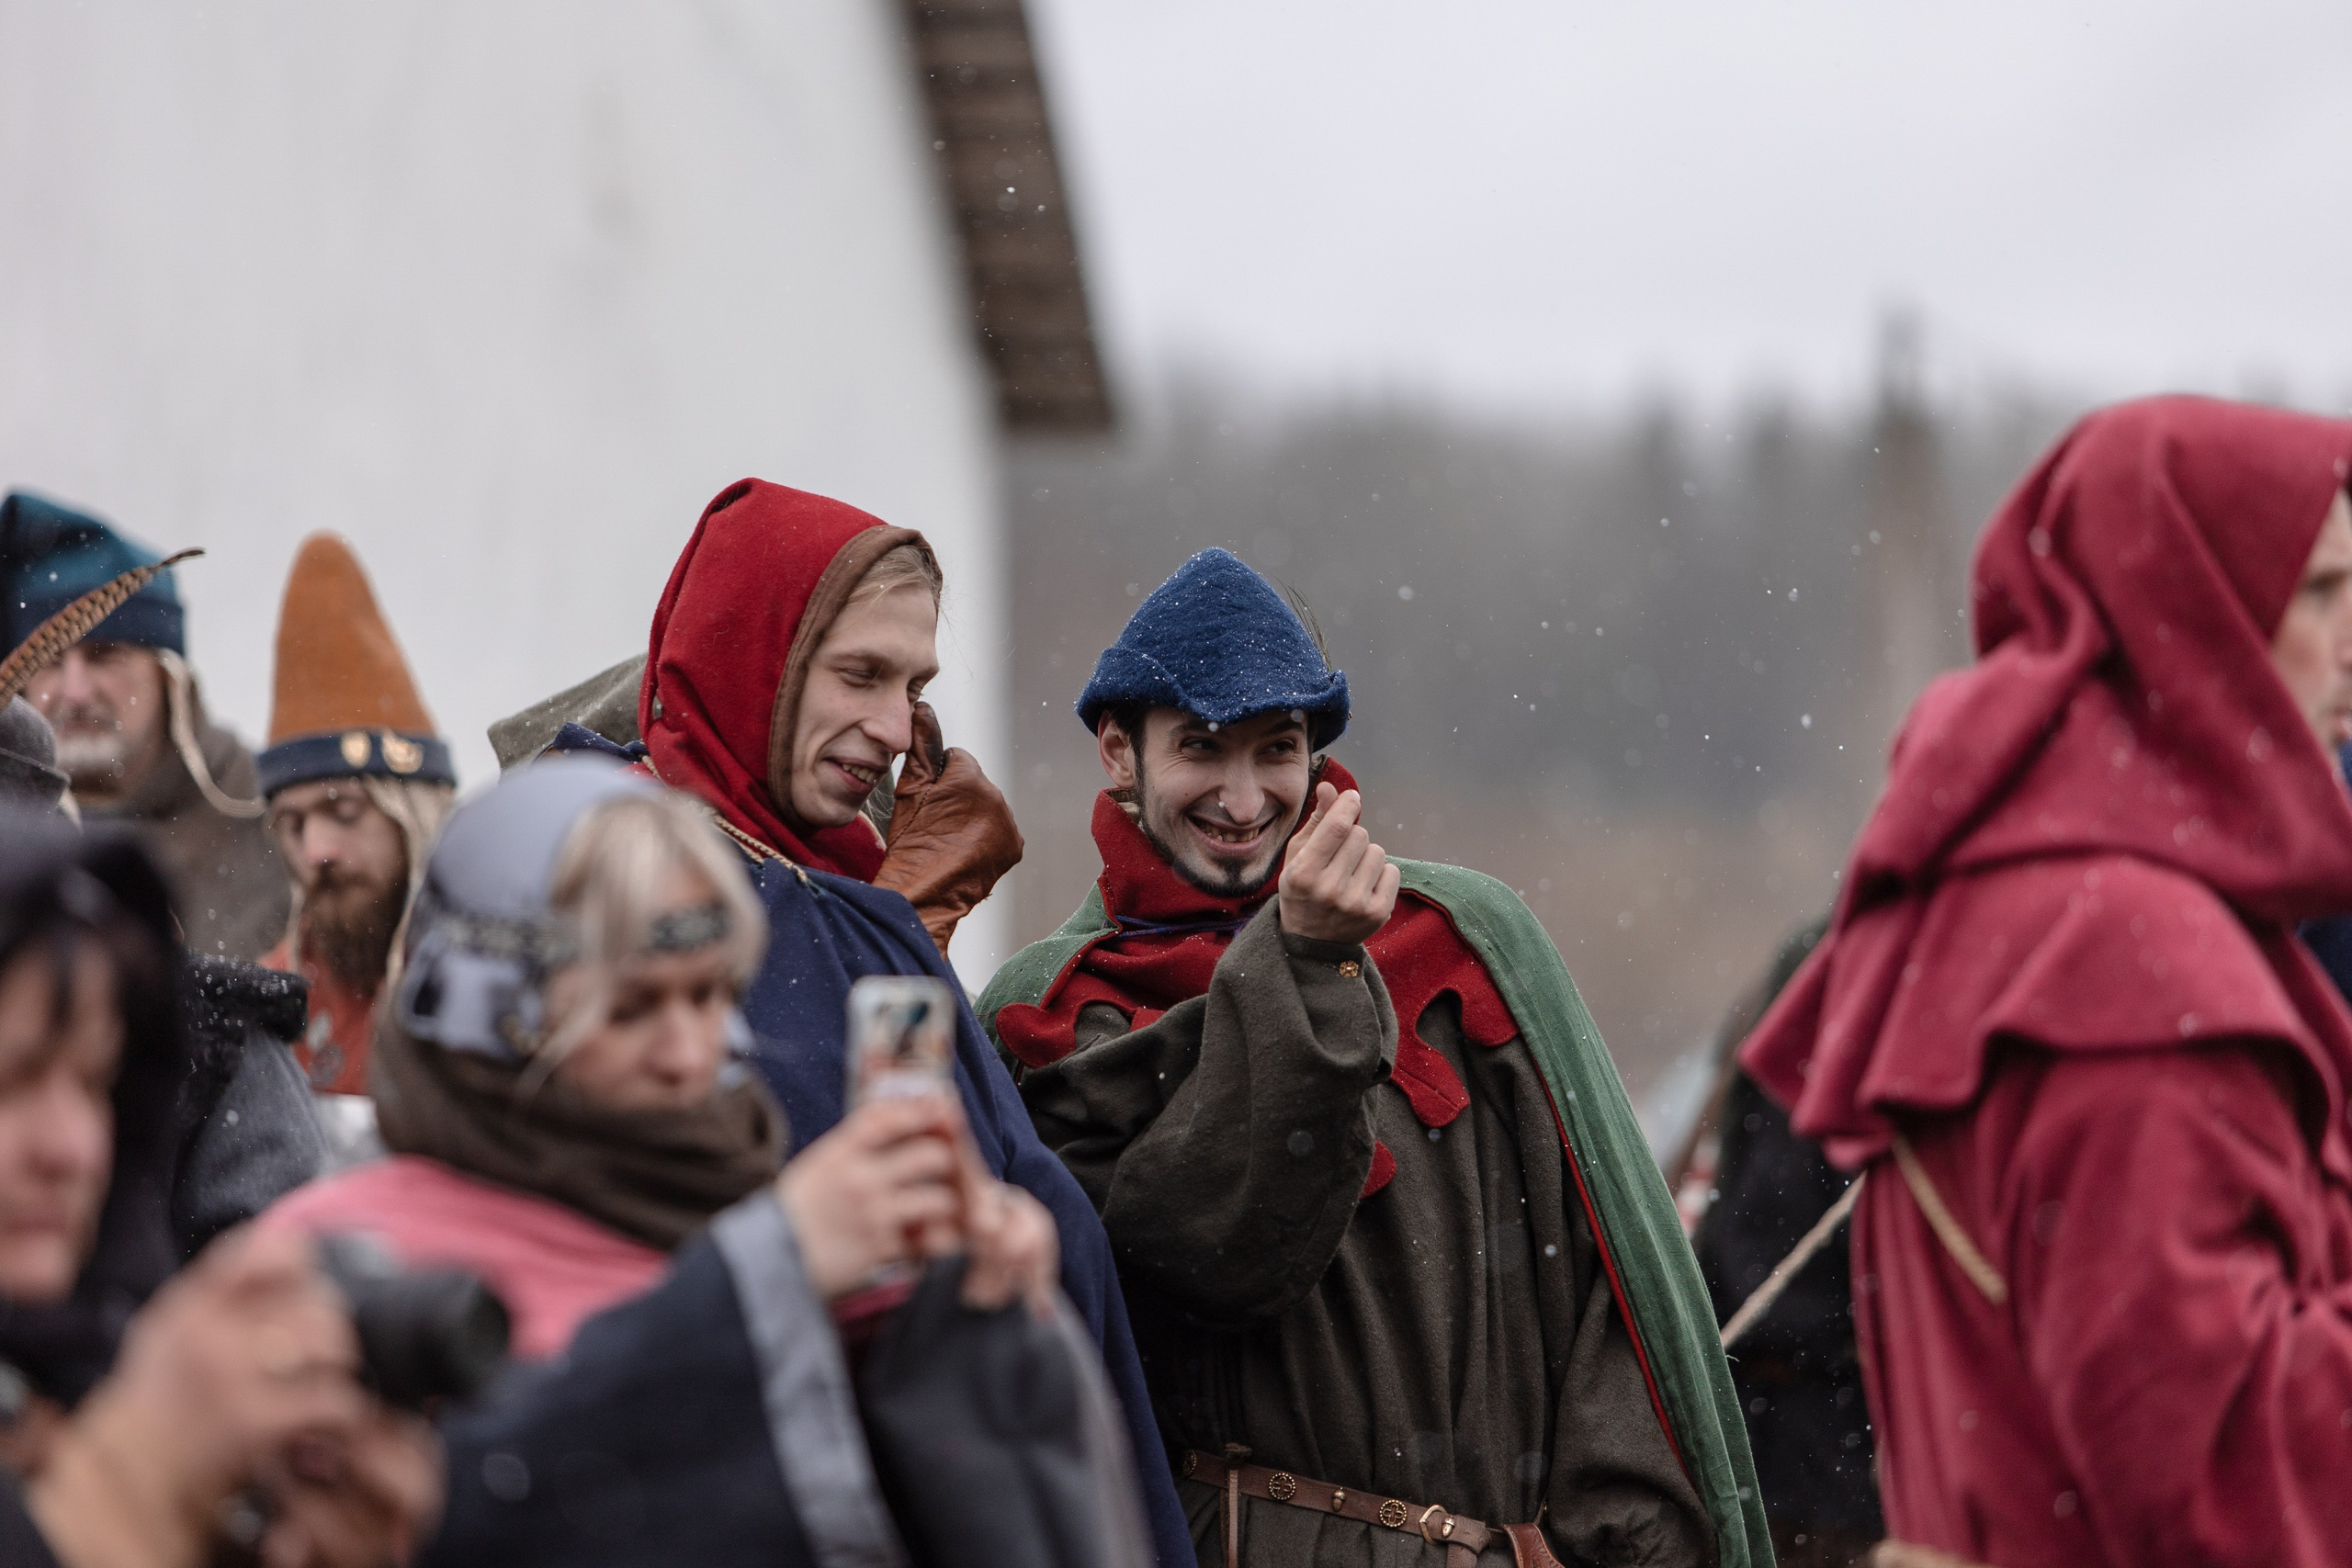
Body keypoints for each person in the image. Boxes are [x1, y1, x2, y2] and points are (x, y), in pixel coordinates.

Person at [978, 548, 1767, 1568]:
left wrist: (1635, 1542)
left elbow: (1603, 1303)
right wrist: (1301, 967)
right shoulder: (1055, 1015)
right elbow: (1208, 1260)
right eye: (1200, 747)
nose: (1243, 793)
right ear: (1117, 756)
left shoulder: (1464, 941)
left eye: (1277, 747)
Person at [513, 477, 1193, 1564]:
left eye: (913, 684)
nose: (894, 727)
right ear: (754, 656)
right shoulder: (594, 883)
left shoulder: (851, 906)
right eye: (860, 674)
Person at [264, 754, 1148, 1566]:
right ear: (484, 1016)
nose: (692, 1053)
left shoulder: (758, 1219)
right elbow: (470, 1508)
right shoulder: (339, 1261)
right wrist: (767, 1276)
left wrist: (963, 1329)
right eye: (634, 1007)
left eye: (710, 992)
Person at [1741, 396, 2352, 1568]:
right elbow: (2216, 1470)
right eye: (2318, 593)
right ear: (2192, 616)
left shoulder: (2017, 896)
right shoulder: (2132, 965)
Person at [0, 809, 436, 1568]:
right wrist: (125, 1488)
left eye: (97, 1081)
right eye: (13, 1080)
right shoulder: (150, 1402)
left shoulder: (94, 1373)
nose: (72, 1146)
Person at [2, 490, 287, 959]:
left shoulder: (279, 815)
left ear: (169, 676)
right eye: (50, 663)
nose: (75, 692)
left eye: (103, 656)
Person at [256, 534, 457, 1102]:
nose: (317, 849)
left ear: (411, 815)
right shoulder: (267, 1010)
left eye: (343, 811)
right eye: (293, 825)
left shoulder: (502, 985)